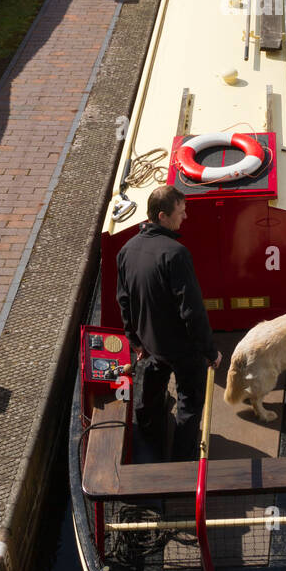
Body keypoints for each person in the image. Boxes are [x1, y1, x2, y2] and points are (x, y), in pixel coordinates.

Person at [116, 185, 220, 460]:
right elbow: (192, 312)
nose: (184, 218)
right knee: (190, 402)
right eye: (180, 213)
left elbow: (124, 300)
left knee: (151, 389)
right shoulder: (176, 254)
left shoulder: (126, 251)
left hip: (150, 342)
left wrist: (135, 340)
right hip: (182, 349)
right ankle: (182, 458)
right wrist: (210, 352)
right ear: (162, 216)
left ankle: (148, 437)